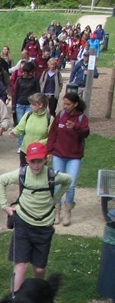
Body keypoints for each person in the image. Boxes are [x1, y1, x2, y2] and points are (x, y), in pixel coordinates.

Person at [0, 142, 71, 292]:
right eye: (32, 161)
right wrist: (5, 206)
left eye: (39, 161)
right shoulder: (22, 174)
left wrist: (55, 199)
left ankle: (39, 292)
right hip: (23, 223)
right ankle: (15, 300)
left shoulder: (51, 175)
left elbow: (67, 180)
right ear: (27, 161)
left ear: (45, 160)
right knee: (21, 265)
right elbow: (0, 181)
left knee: (39, 269)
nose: (36, 165)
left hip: (44, 227)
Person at [46, 93, 90, 226]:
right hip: (59, 154)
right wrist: (49, 151)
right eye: (64, 104)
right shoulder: (60, 115)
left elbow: (86, 133)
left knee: (70, 185)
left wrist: (75, 127)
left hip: (74, 156)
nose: (65, 106)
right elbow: (52, 133)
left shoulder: (82, 118)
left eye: (68, 104)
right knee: (58, 183)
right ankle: (57, 210)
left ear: (75, 104)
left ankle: (68, 210)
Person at [10, 93, 52, 167]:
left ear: (40, 105)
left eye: (33, 104)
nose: (30, 106)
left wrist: (40, 143)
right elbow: (20, 127)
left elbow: (51, 138)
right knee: (23, 174)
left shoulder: (49, 119)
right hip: (25, 151)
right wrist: (14, 132)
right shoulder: (28, 115)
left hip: (39, 153)